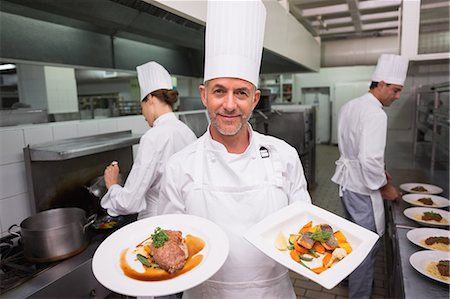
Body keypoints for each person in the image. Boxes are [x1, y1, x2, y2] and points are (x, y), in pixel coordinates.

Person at [157, 1, 311, 298]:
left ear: (255, 99)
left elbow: (303, 224)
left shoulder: (284, 156)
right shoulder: (180, 165)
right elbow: (167, 237)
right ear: (204, 95)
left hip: (273, 293)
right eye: (219, 91)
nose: (229, 105)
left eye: (240, 92)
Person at [331, 54, 409, 299]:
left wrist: (376, 171)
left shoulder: (351, 105)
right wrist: (384, 186)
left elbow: (354, 150)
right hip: (363, 188)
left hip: (347, 184)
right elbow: (369, 159)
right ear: (382, 83)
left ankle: (347, 278)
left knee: (352, 238)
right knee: (366, 246)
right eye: (395, 91)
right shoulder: (376, 114)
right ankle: (359, 293)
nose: (397, 97)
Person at [100, 61, 197, 220]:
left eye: (142, 106)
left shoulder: (153, 137)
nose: (143, 114)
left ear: (150, 99)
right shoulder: (187, 132)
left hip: (157, 222)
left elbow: (129, 202)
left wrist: (112, 185)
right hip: (184, 219)